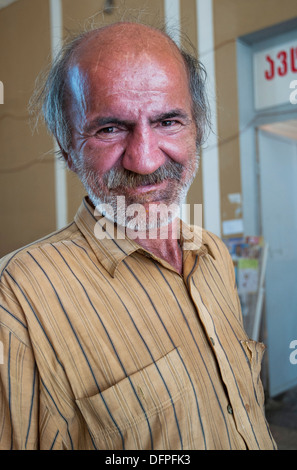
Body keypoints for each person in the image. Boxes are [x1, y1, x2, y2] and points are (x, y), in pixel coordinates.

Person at [0, 21, 276, 450]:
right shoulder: (18, 300)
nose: (145, 160)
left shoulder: (214, 256)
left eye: (168, 121)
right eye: (110, 128)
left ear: (196, 129)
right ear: (68, 147)